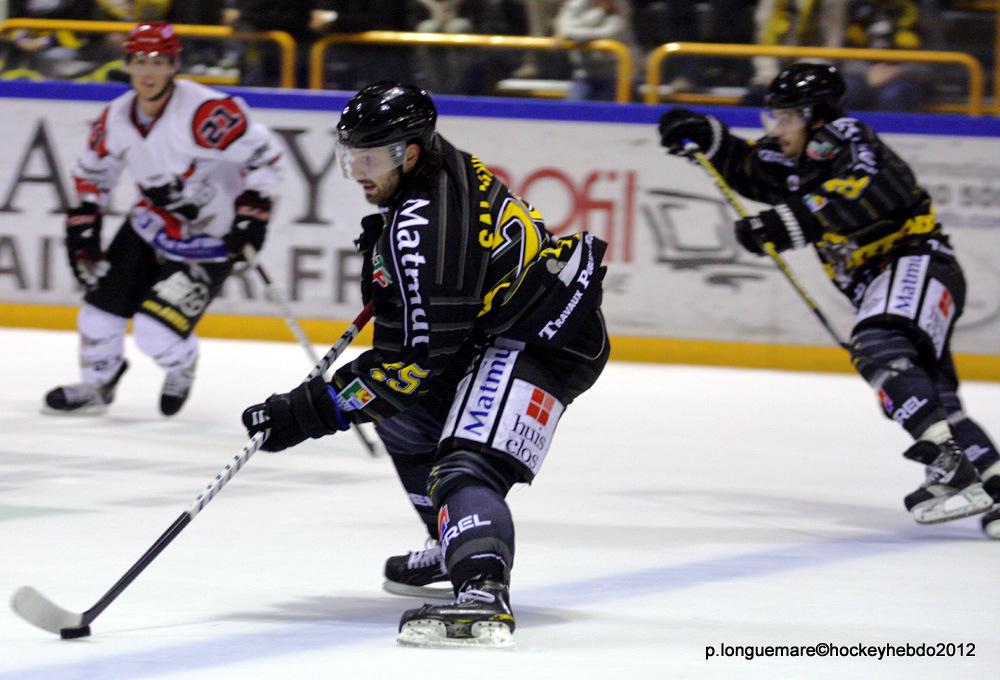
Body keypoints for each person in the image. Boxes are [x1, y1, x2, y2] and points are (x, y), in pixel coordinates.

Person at [240, 81, 610, 647]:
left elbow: (411, 367)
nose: (357, 172)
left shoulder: (424, 233)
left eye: (370, 158)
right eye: (351, 156)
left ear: (408, 154)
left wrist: (307, 411)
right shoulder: (436, 164)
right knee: (401, 419)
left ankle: (482, 592)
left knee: (465, 466)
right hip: (503, 324)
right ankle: (452, 539)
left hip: (542, 341)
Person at [657, 63, 1000, 539]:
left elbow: (868, 190)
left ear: (814, 116)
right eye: (774, 118)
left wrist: (782, 224)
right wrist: (709, 138)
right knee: (929, 398)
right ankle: (993, 485)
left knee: (878, 347)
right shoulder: (796, 157)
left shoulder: (847, 137)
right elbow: (754, 171)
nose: (777, 129)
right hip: (892, 280)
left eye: (786, 118)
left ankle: (949, 465)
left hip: (916, 264)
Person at [44, 21, 284, 417]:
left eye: (158, 61)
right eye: (139, 61)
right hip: (149, 225)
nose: (148, 71)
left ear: (174, 65)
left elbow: (265, 156)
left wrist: (252, 215)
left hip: (210, 239)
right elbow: (92, 174)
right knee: (97, 315)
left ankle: (181, 364)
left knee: (154, 335)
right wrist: (83, 227)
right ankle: (97, 383)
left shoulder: (205, 112)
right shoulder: (117, 117)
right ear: (127, 64)